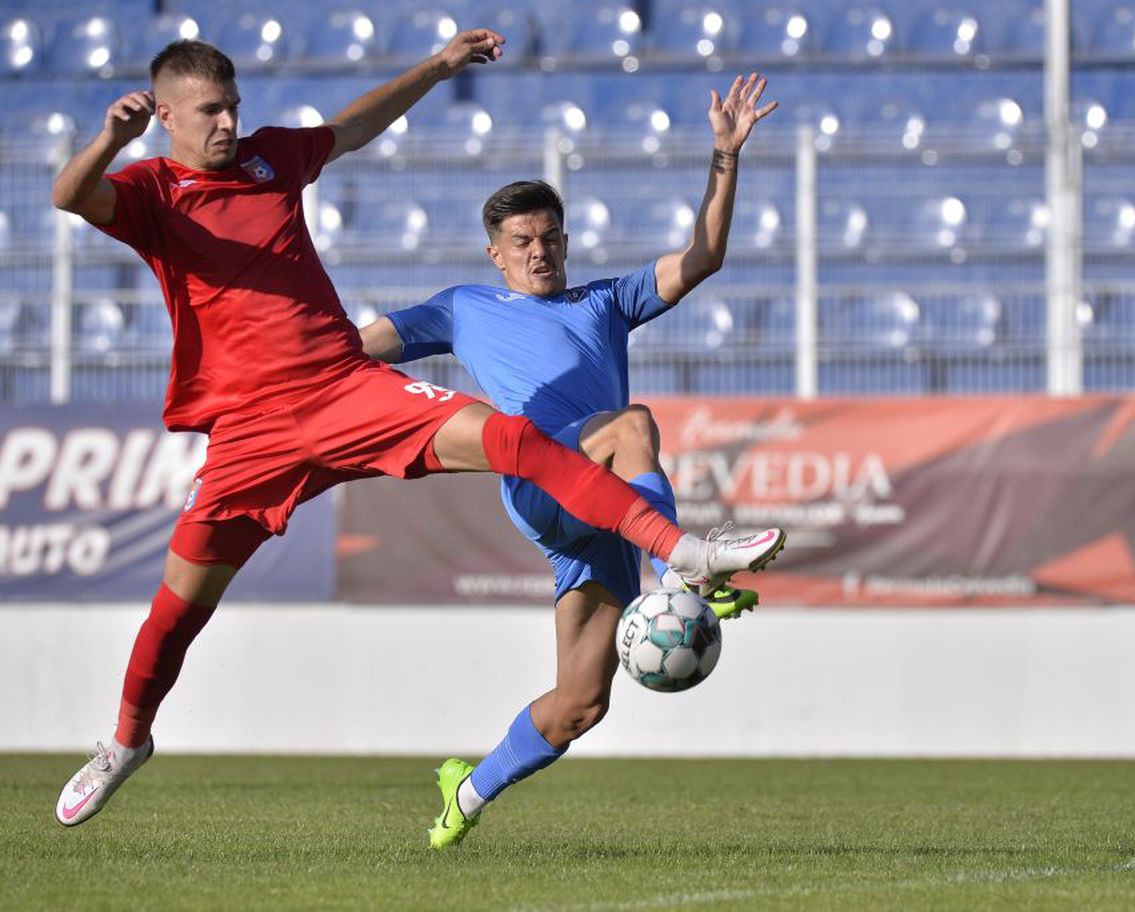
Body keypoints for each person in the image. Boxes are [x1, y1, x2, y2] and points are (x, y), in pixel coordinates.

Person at [50, 40, 785, 828]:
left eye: (234, 105)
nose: (230, 122)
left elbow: (353, 127)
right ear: (165, 116)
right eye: (211, 112)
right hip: (251, 427)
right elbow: (71, 194)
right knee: (178, 606)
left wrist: (437, 68)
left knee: (516, 453)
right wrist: (107, 142)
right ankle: (126, 742)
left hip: (343, 392)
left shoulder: (273, 160)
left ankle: (681, 556)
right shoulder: (152, 191)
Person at [359, 73, 780, 848]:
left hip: (611, 522)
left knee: (581, 703)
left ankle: (468, 791)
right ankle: (687, 572)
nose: (539, 252)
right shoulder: (463, 308)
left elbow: (705, 256)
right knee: (632, 425)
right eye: (522, 242)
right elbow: (360, 347)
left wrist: (724, 156)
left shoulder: (606, 301)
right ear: (496, 253)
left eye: (550, 238)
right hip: (540, 481)